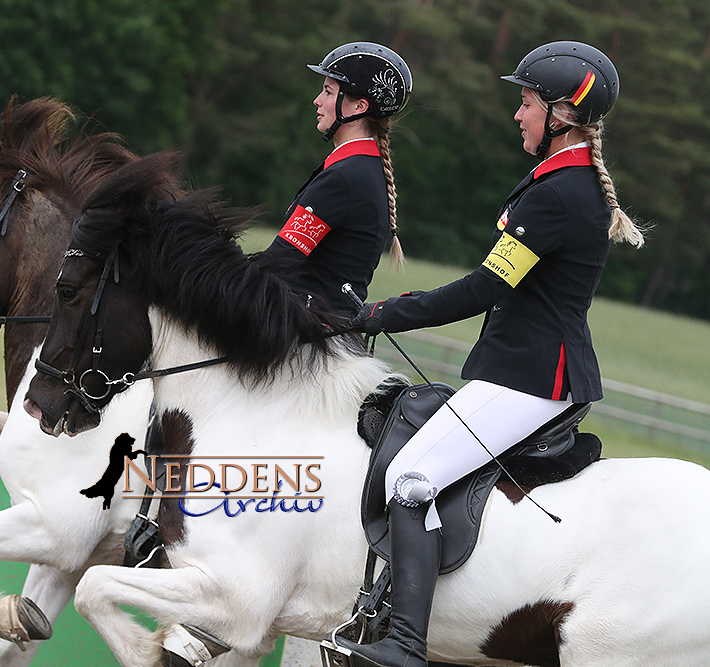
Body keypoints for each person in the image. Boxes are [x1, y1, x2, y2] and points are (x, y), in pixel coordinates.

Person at [338, 41, 645, 667]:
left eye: (526, 103)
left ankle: (406, 643)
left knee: (411, 478)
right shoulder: (560, 182)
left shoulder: (558, 194)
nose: (518, 114)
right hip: (521, 368)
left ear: (560, 114)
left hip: (532, 377)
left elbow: (487, 286)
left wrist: (380, 314)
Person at [254, 41, 411, 317]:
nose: (317, 100)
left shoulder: (344, 178)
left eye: (328, 91)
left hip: (309, 335)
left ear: (358, 106)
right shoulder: (361, 168)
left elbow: (278, 262)